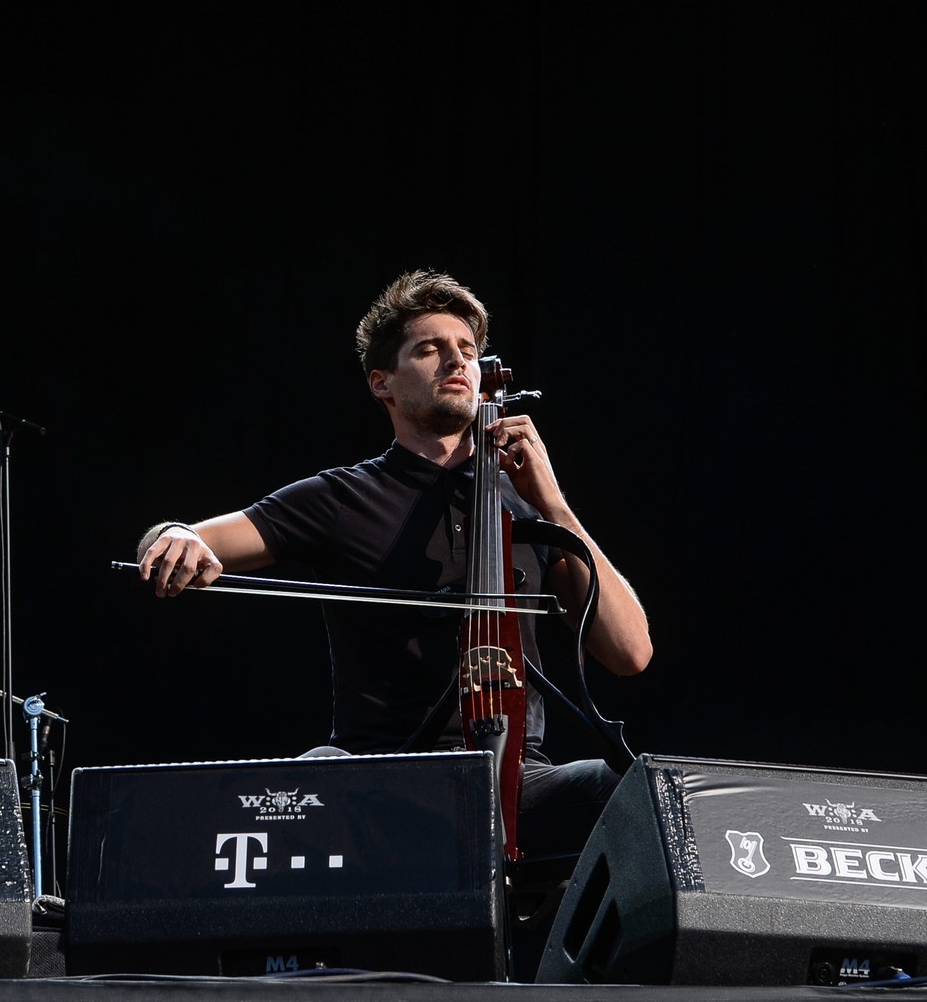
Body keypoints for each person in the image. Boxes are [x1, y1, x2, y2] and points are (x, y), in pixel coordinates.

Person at [136, 268, 652, 865]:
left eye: (467, 351)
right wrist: (174, 535)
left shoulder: (526, 507)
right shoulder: (340, 498)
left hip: (516, 781)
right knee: (305, 784)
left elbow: (630, 651)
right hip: (380, 774)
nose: (455, 361)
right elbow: (186, 537)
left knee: (620, 789)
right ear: (382, 383)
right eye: (429, 350)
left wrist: (553, 504)